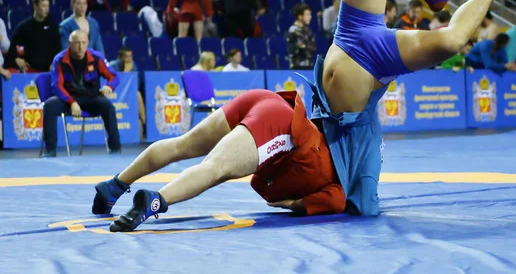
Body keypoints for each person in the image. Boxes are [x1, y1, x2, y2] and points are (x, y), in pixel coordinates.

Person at [300, 0, 516, 216]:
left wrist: (296, 201)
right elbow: (363, 206)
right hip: (373, 63)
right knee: (451, 41)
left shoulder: (308, 158)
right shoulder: (356, 163)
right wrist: (301, 203)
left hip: (349, 33)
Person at [93, 88, 345, 232]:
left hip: (269, 100)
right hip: (283, 128)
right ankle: (156, 201)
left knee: (184, 144)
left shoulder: (339, 146)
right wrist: (291, 204)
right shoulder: (339, 188)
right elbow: (308, 203)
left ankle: (114, 185)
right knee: (215, 170)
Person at [42, 30, 121, 157]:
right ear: (69, 43)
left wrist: (109, 86)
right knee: (49, 106)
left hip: (92, 98)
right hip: (68, 99)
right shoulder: (60, 59)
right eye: (77, 43)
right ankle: (50, 150)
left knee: (108, 107)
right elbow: (57, 86)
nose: (81, 47)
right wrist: (71, 102)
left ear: (88, 43)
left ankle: (116, 149)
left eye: (84, 43)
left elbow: (114, 77)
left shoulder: (96, 57)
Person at [6, 0, 62, 73]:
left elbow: (58, 48)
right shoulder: (25, 26)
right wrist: (16, 58)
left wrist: (54, 63)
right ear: (35, 6)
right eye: (43, 5)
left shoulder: (52, 27)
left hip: (49, 70)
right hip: (31, 70)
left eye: (48, 6)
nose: (47, 9)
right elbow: (12, 45)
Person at [109, 46, 146, 139]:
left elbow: (135, 87)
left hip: (128, 96)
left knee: (138, 94)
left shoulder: (133, 66)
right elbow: (116, 87)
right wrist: (126, 72)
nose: (129, 59)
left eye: (130, 56)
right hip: (113, 95)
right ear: (119, 58)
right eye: (126, 57)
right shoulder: (112, 66)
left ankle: (146, 125)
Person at [286, 3, 316, 69]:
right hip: (297, 66)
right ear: (300, 16)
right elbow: (292, 49)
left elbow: (313, 48)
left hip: (309, 66)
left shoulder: (308, 31)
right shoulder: (293, 31)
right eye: (307, 15)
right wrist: (304, 47)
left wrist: (304, 46)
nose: (310, 17)